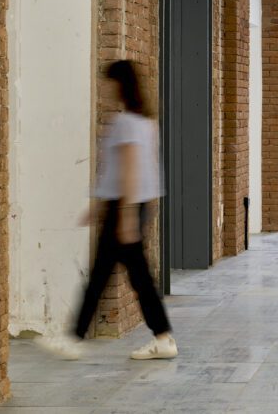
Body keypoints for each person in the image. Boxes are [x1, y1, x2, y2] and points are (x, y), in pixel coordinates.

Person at [39, 60, 177, 361]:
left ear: (119, 84)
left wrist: (124, 214)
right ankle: (162, 337)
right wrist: (102, 205)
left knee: (107, 276)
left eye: (107, 82)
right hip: (132, 205)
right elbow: (128, 170)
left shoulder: (126, 122)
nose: (103, 88)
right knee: (132, 277)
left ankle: (74, 338)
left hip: (125, 207)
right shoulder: (146, 121)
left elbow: (129, 168)